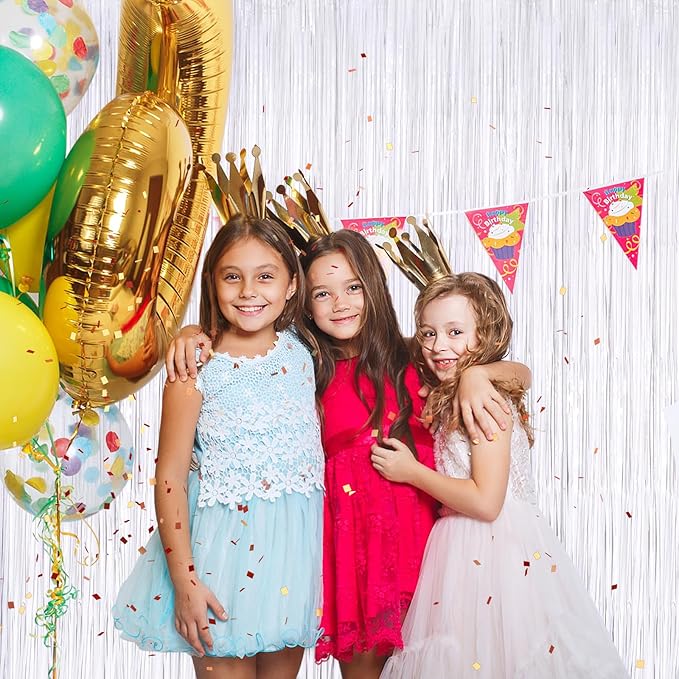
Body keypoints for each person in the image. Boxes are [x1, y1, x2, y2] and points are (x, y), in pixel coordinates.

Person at [168, 231, 530, 678]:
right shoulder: (305, 365)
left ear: (373, 287)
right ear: (302, 298)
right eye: (323, 293)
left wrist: (480, 375)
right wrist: (191, 332)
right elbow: (243, 341)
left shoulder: (418, 357)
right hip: (355, 564)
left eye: (353, 287)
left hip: (430, 557)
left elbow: (519, 373)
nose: (340, 303)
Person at [371, 273, 629, 679]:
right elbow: (520, 372)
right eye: (429, 333)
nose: (439, 345)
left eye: (455, 332)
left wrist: (412, 472)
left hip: (494, 551)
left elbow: (486, 502)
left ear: (485, 336)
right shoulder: (457, 389)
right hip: (459, 551)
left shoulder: (485, 402)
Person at [112, 215, 325, 679]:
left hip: (292, 562)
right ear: (213, 281)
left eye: (265, 276)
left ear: (292, 284)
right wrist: (185, 583)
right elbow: (169, 478)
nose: (248, 291)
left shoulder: (305, 348)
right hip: (220, 561)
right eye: (232, 277)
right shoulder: (195, 367)